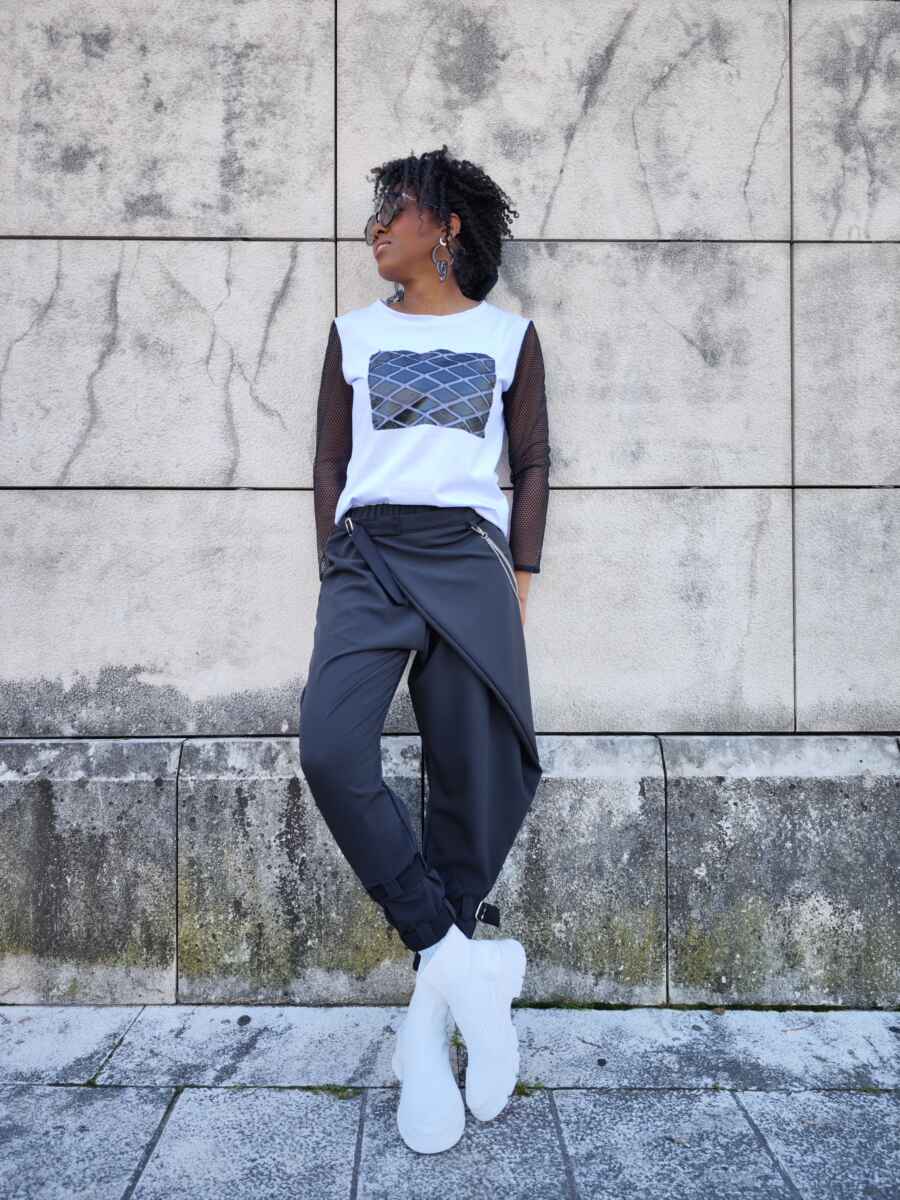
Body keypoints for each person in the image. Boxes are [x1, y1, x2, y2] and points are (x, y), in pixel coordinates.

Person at [298, 145, 550, 1153]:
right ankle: (456, 956)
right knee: (331, 749)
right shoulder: (353, 335)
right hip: (369, 557)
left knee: (471, 779)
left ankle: (428, 1029)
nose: (375, 226)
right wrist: (334, 561)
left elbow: (531, 461)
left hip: (467, 559)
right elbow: (329, 458)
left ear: (445, 227)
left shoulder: (507, 336)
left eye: (394, 209)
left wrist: (519, 576)